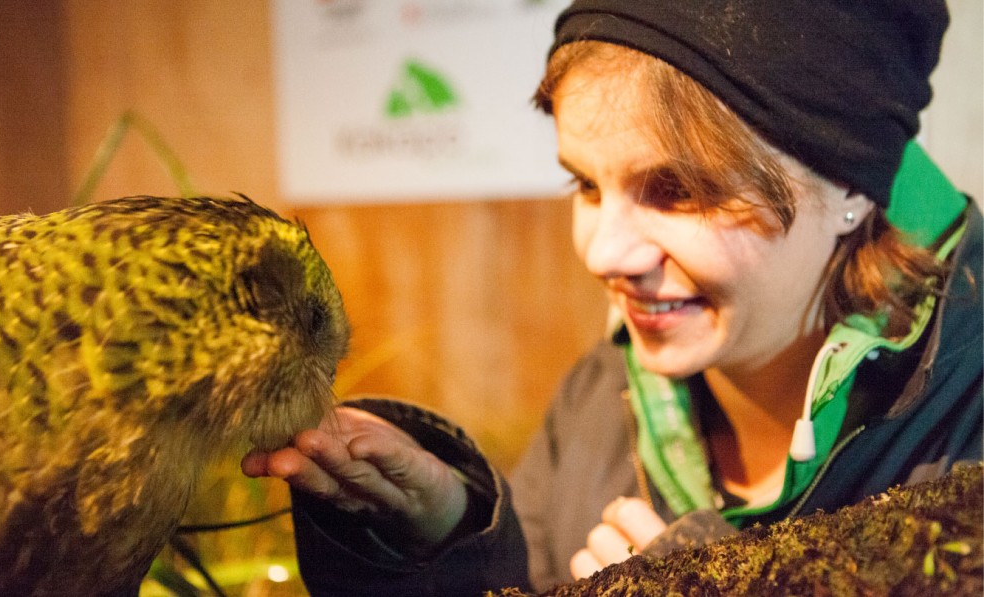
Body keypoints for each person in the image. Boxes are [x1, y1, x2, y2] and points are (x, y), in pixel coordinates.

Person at [241, 1, 983, 594]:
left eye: (678, 191)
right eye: (585, 184)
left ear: (851, 182)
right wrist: (446, 536)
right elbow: (526, 575)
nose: (602, 253)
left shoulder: (966, 419)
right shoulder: (599, 396)